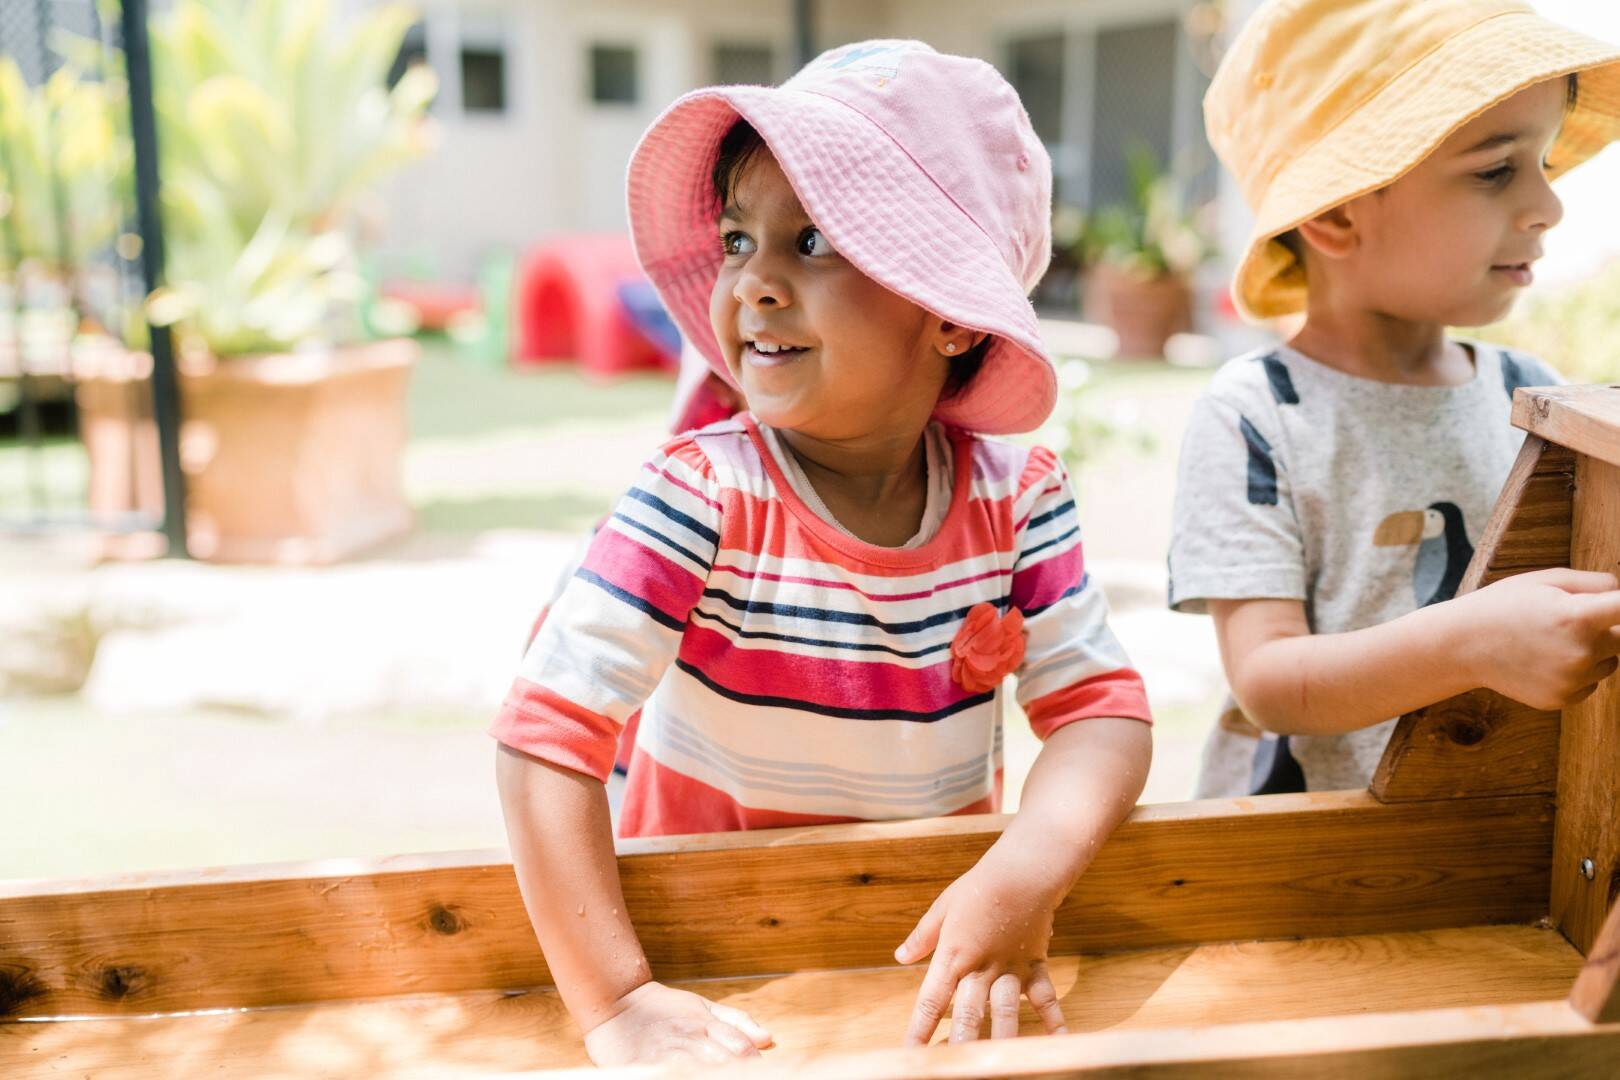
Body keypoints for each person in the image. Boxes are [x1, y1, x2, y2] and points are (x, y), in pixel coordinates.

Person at [492, 40, 1153, 1065]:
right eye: (738, 239)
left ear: (945, 312)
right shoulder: (702, 493)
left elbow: (1099, 716)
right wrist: (615, 997)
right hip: (701, 967)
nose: (752, 282)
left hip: (925, 951)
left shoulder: (1016, 499)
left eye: (811, 244)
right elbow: (545, 735)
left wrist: (1025, 874)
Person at [1169, 0, 1620, 797]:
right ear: (1338, 212)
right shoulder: (1259, 412)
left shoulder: (1530, 391)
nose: (1547, 208)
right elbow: (1268, 679)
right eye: (1495, 169)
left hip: (1500, 845)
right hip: (1308, 861)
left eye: (1545, 163)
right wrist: (1469, 642)